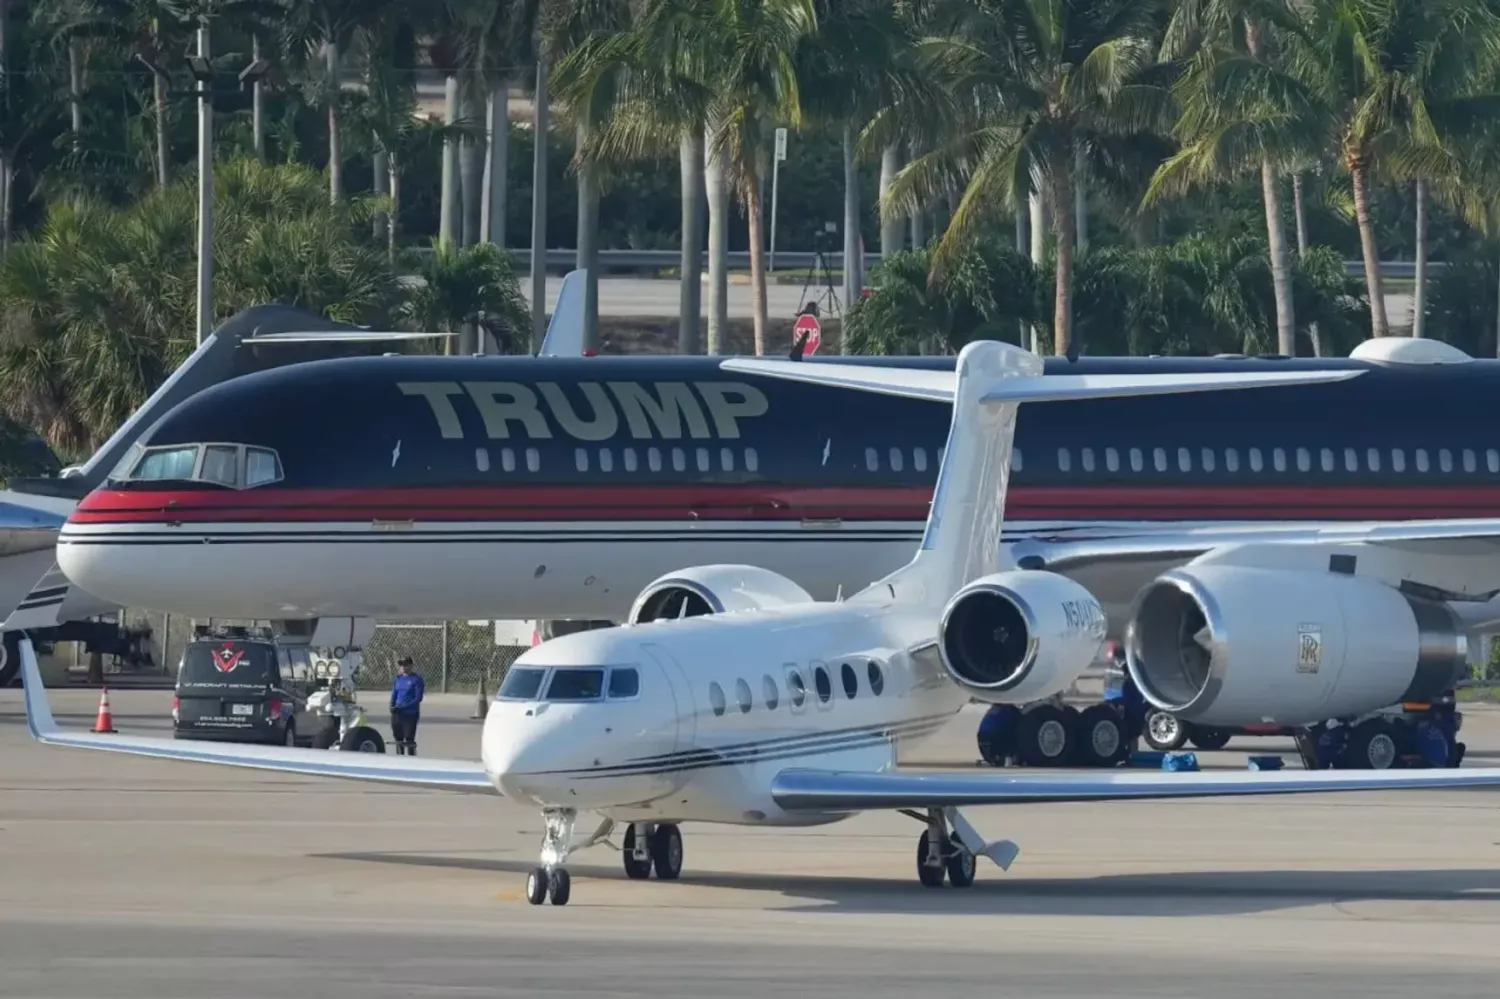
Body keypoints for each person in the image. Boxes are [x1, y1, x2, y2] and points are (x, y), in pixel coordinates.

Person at [389, 656, 425, 756]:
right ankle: (399, 758)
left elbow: (418, 698)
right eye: (401, 665)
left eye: (406, 665)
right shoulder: (398, 679)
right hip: (397, 713)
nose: (403, 667)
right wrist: (392, 706)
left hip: (410, 714)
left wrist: (403, 707)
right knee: (398, 738)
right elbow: (394, 694)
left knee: (409, 738)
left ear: (410, 665)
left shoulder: (416, 680)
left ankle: (411, 759)